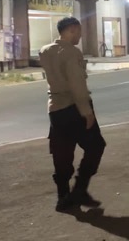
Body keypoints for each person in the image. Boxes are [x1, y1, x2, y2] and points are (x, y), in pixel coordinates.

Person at [39, 17, 106, 212]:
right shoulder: (71, 52)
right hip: (73, 107)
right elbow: (77, 84)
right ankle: (80, 189)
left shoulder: (45, 50)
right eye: (79, 31)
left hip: (55, 108)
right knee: (95, 146)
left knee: (62, 152)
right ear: (72, 30)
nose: (81, 35)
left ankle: (63, 195)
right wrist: (87, 112)